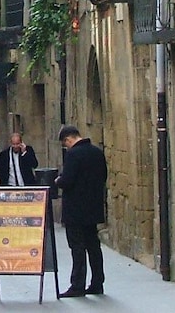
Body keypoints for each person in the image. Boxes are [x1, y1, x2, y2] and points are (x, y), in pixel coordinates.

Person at [54, 125, 107, 298]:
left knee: (77, 247)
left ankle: (77, 285)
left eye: (65, 144)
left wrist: (58, 180)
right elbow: (103, 176)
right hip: (93, 207)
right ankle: (97, 282)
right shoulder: (97, 152)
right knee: (93, 245)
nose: (66, 147)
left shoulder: (73, 154)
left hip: (75, 209)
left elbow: (68, 180)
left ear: (68, 139)